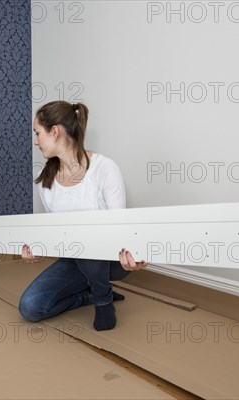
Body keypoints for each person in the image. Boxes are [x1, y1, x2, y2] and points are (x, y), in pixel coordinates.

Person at [19, 101, 146, 331]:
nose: (36, 141)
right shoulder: (44, 179)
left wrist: (133, 254)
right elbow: (56, 232)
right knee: (30, 307)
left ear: (55, 131)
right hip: (74, 257)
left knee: (88, 231)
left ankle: (102, 298)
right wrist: (38, 249)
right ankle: (87, 295)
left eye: (38, 133)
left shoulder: (104, 169)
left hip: (110, 258)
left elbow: (119, 228)